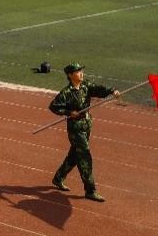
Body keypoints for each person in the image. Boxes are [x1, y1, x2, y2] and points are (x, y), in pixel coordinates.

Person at [49, 63, 117, 202]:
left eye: (81, 71)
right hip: (75, 128)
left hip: (86, 125)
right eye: (77, 71)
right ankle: (90, 190)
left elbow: (98, 89)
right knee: (84, 156)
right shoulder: (66, 92)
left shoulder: (86, 85)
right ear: (70, 75)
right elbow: (54, 106)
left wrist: (112, 91)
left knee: (75, 154)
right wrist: (69, 112)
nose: (81, 73)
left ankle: (58, 178)